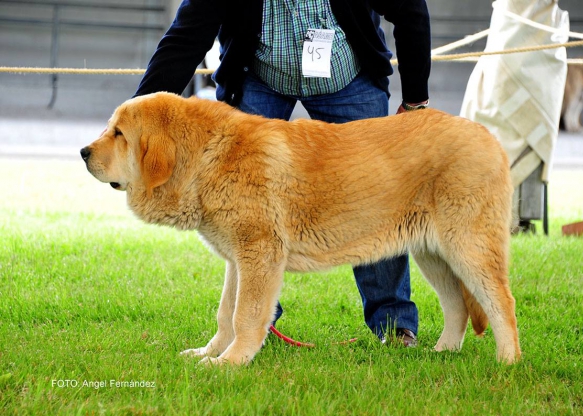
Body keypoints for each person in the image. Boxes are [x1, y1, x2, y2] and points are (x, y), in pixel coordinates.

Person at [134, 0, 431, 346]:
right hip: (260, 77)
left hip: (349, 77)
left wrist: (415, 100)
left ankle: (394, 324)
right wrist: (137, 120)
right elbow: (187, 35)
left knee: (376, 198)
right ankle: (257, 325)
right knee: (243, 214)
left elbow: (410, 9)